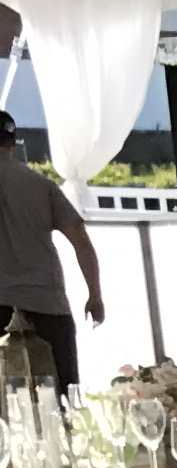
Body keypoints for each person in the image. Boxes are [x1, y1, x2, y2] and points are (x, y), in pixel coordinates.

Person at [0, 109, 102, 391]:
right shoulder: (40, 185)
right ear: (13, 142)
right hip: (46, 304)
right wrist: (95, 295)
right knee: (62, 396)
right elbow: (81, 242)